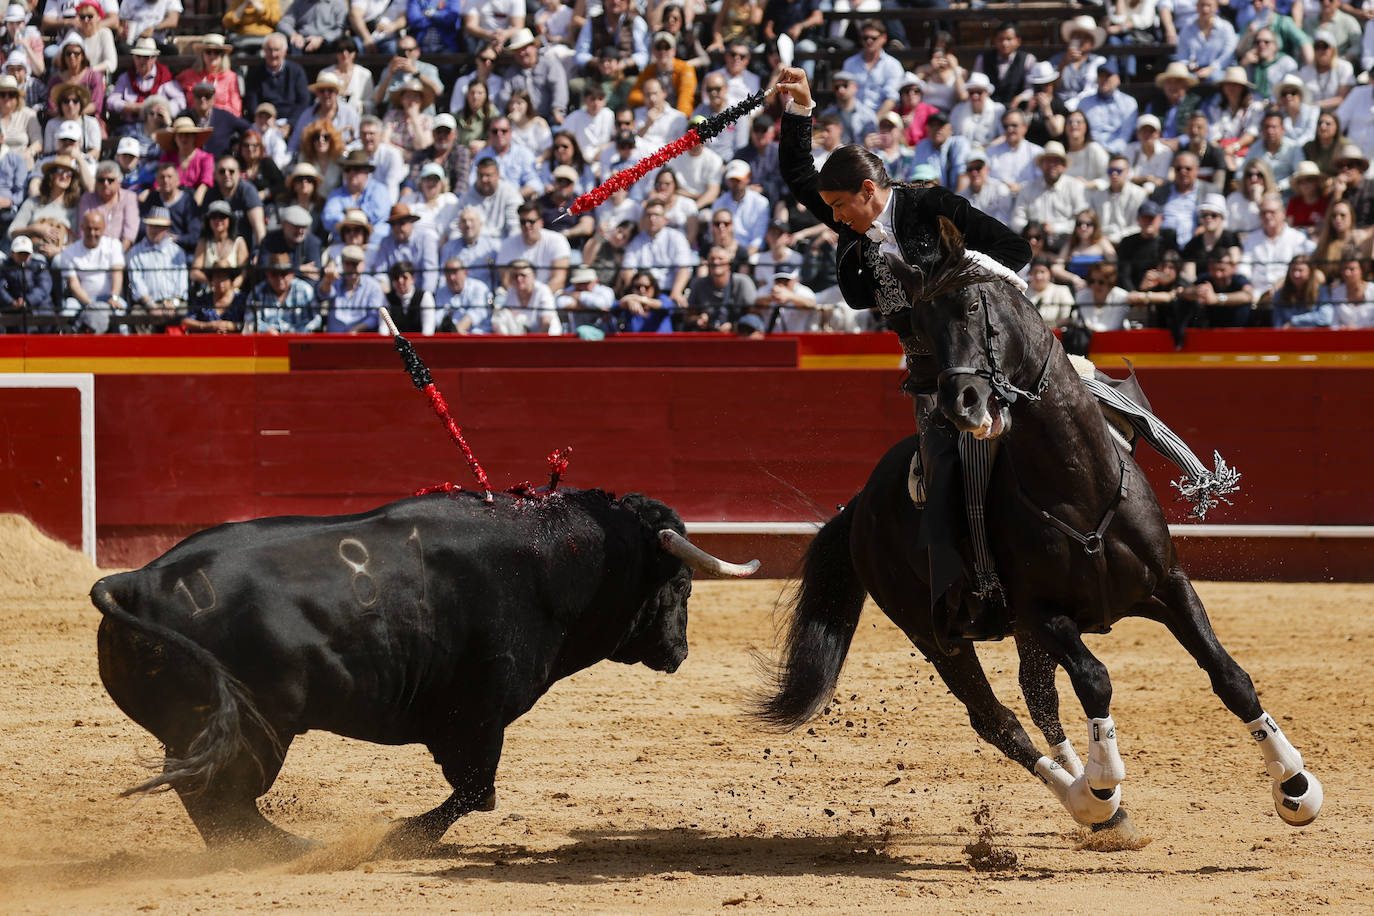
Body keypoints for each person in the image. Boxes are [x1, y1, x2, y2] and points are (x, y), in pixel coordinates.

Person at [775, 65, 1032, 639]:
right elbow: (798, 173)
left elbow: (1014, 250)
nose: (835, 220)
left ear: (869, 191)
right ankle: (960, 593)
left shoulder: (931, 206)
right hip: (929, 371)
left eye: (841, 206)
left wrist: (961, 280)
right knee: (940, 474)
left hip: (989, 353)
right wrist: (799, 111)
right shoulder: (853, 226)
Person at [56, 208, 125, 333]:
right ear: (82, 228)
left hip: (110, 299)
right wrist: (90, 304)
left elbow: (117, 273)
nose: (92, 233)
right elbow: (73, 284)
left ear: (104, 229)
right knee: (67, 311)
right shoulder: (69, 252)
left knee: (121, 312)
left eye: (97, 229)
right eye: (88, 228)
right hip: (81, 300)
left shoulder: (114, 245)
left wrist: (114, 297)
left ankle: (127, 346)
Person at [103, 37, 182, 138]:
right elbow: (111, 101)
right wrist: (133, 107)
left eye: (146, 57)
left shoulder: (164, 76)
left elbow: (180, 101)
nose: (141, 61)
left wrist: (162, 110)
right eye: (138, 56)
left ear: (154, 58)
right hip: (130, 128)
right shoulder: (126, 78)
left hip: (157, 128)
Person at [1241, 192, 1316, 297]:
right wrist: (1246, 286)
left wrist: (1281, 284)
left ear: (1283, 213)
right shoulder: (1251, 239)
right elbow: (1244, 268)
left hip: (1286, 294)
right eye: (1263, 212)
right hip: (1255, 295)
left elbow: (1301, 268)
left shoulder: (1297, 238)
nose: (1267, 216)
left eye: (1272, 212)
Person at [125, 205, 186, 332]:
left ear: (167, 228)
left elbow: (182, 282)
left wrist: (174, 302)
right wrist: (151, 305)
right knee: (136, 315)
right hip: (146, 304)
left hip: (173, 303)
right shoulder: (135, 251)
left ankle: (180, 350)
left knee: (187, 313)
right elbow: (136, 282)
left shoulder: (177, 252)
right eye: (151, 225)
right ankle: (143, 351)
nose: (154, 230)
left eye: (159, 227)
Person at [496, 201, 570, 290]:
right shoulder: (507, 244)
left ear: (541, 222)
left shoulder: (557, 240)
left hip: (549, 295)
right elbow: (506, 281)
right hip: (517, 296)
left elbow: (558, 280)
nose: (527, 225)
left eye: (531, 221)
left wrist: (538, 298)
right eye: (523, 222)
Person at [244, 32, 310, 127]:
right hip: (263, 123)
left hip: (291, 123)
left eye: (277, 50)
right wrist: (265, 122)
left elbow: (303, 102)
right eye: (269, 50)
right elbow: (252, 104)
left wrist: (289, 124)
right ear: (264, 51)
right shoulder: (254, 73)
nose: (273, 54)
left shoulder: (296, 71)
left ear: (285, 52)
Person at [368, 202, 437, 293]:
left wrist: (423, 297)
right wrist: (386, 291)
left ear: (411, 223)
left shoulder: (426, 239)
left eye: (401, 223)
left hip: (420, 293)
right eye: (393, 224)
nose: (397, 228)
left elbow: (430, 273)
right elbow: (380, 272)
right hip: (395, 297)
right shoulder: (386, 242)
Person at [77, 160, 139, 250]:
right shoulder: (87, 199)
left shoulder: (129, 198)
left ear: (119, 182)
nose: (105, 183)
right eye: (101, 180)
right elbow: (83, 231)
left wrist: (117, 256)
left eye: (110, 180)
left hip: (121, 252)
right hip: (91, 250)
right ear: (96, 182)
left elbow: (129, 233)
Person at [321, 243, 381, 332]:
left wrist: (355, 330)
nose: (352, 268)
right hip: (334, 339)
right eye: (348, 263)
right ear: (342, 264)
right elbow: (322, 295)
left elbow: (374, 317)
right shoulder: (335, 281)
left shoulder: (373, 286)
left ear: (363, 264)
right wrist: (327, 281)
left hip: (360, 340)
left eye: (355, 263)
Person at [492, 258, 559, 334]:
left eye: (523, 275)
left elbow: (546, 323)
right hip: (524, 340)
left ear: (533, 276)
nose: (519, 279)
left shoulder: (543, 291)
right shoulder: (511, 291)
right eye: (515, 276)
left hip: (548, 339)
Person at [0, 235, 52, 331]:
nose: (23, 257)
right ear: (12, 253)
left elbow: (43, 288)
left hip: (38, 306)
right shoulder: (4, 268)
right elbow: (1, 288)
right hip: (12, 307)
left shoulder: (39, 266)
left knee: (47, 315)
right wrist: (11, 302)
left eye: (26, 254)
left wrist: (27, 301)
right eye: (20, 253)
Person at [256, 204, 321, 281]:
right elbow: (264, 267)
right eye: (296, 226)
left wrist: (281, 270)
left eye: (303, 227)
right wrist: (299, 269)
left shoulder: (312, 242)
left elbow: (314, 275)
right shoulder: (270, 240)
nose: (300, 231)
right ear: (283, 224)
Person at [436, 257, 492, 333]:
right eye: (448, 273)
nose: (451, 278)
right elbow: (437, 318)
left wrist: (455, 333)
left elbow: (476, 313)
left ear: (465, 273)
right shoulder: (441, 292)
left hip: (476, 337)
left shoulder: (479, 287)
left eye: (455, 272)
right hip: (448, 337)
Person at [182, 263, 244, 333]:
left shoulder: (241, 300)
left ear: (231, 280)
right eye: (217, 277)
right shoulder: (202, 300)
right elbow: (186, 321)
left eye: (224, 277)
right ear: (211, 280)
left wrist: (234, 326)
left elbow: (251, 322)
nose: (221, 282)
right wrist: (206, 326)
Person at [555, 263, 614, 335]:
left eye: (586, 282)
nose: (582, 286)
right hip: (576, 338)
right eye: (579, 283)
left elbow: (602, 303)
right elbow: (561, 303)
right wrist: (595, 308)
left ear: (596, 281)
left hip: (604, 337)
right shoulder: (570, 290)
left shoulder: (606, 291)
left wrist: (578, 296)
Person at [382, 259, 435, 334]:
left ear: (413, 279)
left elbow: (428, 331)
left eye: (404, 277)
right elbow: (383, 329)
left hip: (419, 343)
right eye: (396, 278)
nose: (400, 281)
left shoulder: (425, 296)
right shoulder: (388, 298)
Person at [277, 0, 349, 54]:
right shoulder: (299, 3)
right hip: (302, 40)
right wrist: (293, 34)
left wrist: (322, 38)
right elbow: (284, 23)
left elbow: (341, 30)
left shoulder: (339, 3)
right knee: (293, 44)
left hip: (327, 41)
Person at [1270, 253, 1323, 324]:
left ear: (1310, 272)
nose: (1296, 274)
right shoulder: (1279, 294)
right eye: (1293, 270)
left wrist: (1294, 321)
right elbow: (1278, 324)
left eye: (1300, 270)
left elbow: (1325, 317)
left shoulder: (1322, 291)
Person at [1025, 254, 1075, 327]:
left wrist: (1051, 327)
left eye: (1042, 272)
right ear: (1030, 273)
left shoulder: (1062, 291)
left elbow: (1067, 318)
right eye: (1035, 272)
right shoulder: (1022, 292)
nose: (1038, 276)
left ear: (1050, 273)